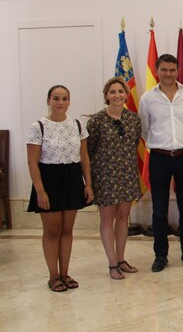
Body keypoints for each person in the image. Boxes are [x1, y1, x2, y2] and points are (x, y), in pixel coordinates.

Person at [139, 53, 183, 272]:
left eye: (172, 70)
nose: (168, 74)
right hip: (159, 157)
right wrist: (161, 143)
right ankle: (160, 255)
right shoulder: (148, 98)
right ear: (157, 71)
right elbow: (145, 128)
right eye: (164, 70)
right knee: (159, 209)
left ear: (178, 71)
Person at [26, 85, 93, 292]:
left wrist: (88, 184)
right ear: (48, 100)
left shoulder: (78, 125)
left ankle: (65, 273)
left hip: (72, 178)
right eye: (56, 98)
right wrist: (40, 191)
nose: (60, 102)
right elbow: (32, 162)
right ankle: (53, 276)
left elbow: (84, 157)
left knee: (67, 230)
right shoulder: (38, 126)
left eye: (65, 98)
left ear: (69, 101)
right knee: (52, 230)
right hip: (49, 180)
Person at [87, 77, 143, 280]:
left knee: (123, 217)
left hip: (127, 174)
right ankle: (111, 263)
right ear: (106, 96)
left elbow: (134, 143)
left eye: (120, 91)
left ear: (126, 95)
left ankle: (121, 259)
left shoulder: (134, 119)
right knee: (107, 218)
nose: (117, 95)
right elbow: (89, 150)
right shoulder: (96, 121)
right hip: (104, 176)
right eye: (112, 92)